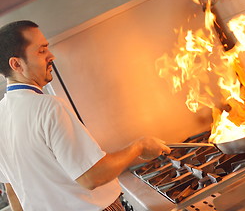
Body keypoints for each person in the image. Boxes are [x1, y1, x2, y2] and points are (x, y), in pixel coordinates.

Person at [0, 20, 171, 211]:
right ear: (16, 64)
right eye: (41, 51)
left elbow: (13, 191)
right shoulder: (48, 107)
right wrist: (139, 146)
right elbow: (91, 177)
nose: (51, 56)